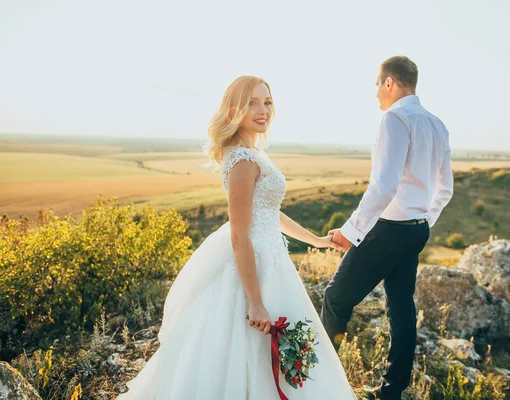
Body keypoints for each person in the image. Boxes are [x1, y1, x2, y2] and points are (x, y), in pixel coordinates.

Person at [117, 76, 356, 399]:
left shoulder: (252, 152)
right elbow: (240, 235)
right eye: (253, 103)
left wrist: (315, 240)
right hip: (251, 267)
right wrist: (255, 302)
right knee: (240, 350)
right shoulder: (243, 161)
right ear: (235, 110)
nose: (263, 110)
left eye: (267, 102)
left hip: (271, 262)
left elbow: (268, 211)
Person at [323, 56, 454, 400]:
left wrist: (351, 232)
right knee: (400, 306)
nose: (376, 93)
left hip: (390, 228)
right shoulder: (438, 124)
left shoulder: (395, 118)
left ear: (389, 83)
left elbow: (384, 185)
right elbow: (445, 189)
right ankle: (391, 392)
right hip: (415, 230)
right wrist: (423, 220)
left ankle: (321, 382)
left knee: (336, 297)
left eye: (377, 85)